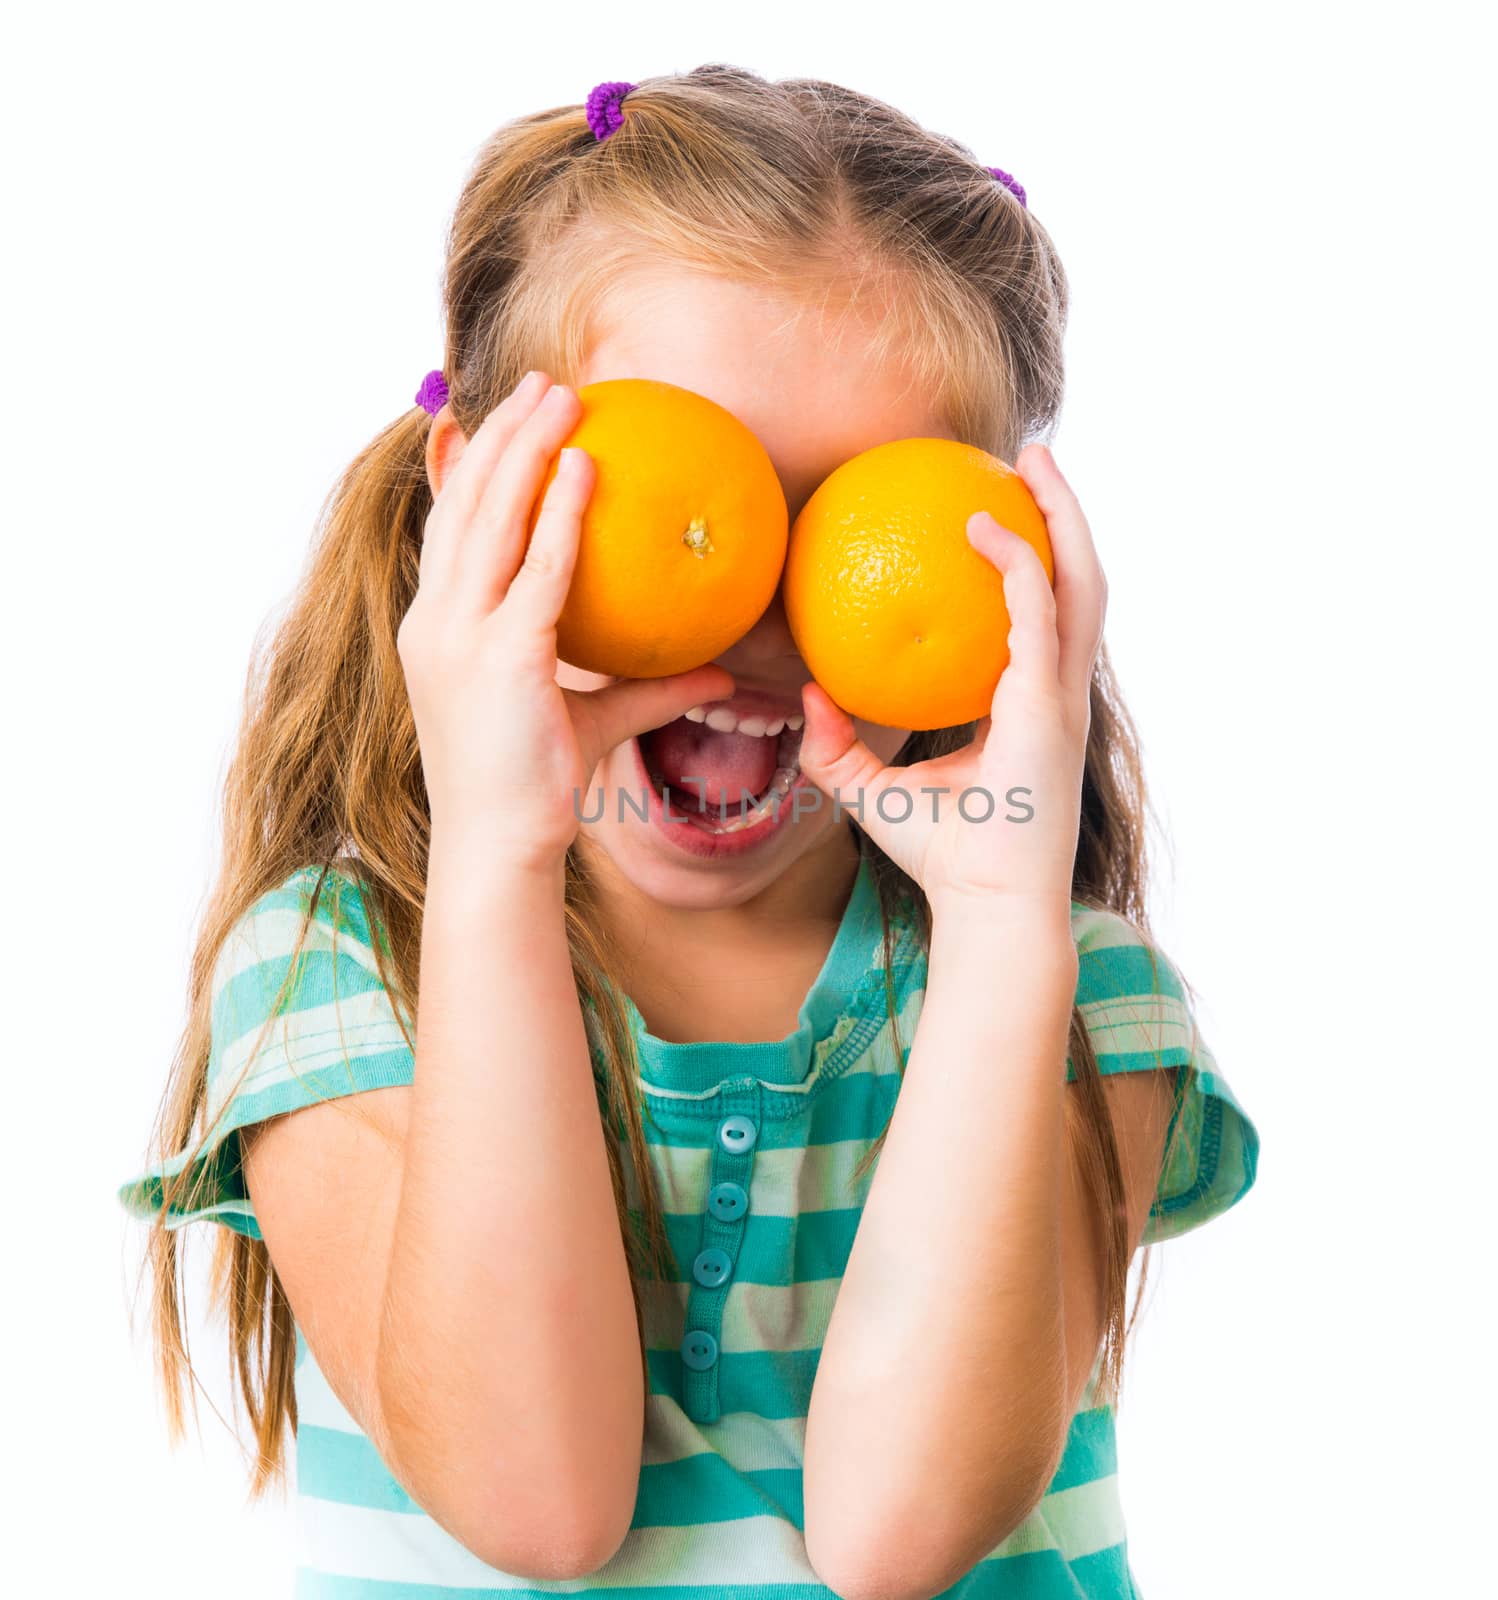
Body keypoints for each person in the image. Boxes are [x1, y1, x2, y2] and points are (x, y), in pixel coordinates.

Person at [118, 65, 1261, 1598]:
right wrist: (496, 864)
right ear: (473, 506)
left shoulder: (1070, 1000)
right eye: (689, 495)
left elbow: (898, 1540)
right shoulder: (346, 970)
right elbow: (537, 1506)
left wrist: (1003, 931)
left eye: (867, 511)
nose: (762, 609)